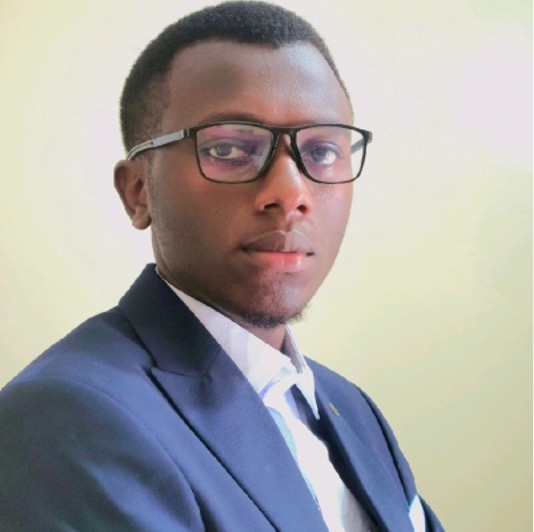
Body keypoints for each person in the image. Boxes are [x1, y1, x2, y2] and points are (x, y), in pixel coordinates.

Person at [0, 2, 443, 530]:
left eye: (322, 152)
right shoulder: (69, 418)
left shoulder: (353, 411)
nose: (290, 193)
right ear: (138, 191)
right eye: (230, 149)